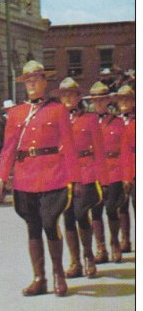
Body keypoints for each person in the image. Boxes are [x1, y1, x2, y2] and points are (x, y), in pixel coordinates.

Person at [0, 60, 79, 297]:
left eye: (35, 80)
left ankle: (58, 274)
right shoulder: (16, 113)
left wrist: (76, 179)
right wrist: (2, 176)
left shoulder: (58, 110)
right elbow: (8, 147)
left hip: (53, 176)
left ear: (44, 82)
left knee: (50, 223)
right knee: (32, 226)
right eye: (27, 81)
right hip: (25, 177)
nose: (31, 85)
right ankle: (39, 278)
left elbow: (69, 147)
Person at [51, 78, 104, 279]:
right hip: (63, 173)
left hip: (85, 172)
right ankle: (75, 262)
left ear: (78, 97)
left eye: (71, 95)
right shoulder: (56, 119)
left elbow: (98, 150)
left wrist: (103, 179)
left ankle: (88, 256)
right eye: (63, 95)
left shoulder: (90, 119)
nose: (67, 98)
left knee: (81, 214)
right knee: (67, 216)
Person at [86, 81, 128, 264]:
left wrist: (126, 175)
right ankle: (101, 248)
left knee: (112, 210)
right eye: (96, 101)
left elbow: (125, 149)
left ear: (108, 101)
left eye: (102, 100)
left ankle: (115, 244)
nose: (99, 104)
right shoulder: (87, 121)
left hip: (113, 170)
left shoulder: (117, 122)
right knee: (95, 211)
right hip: (95, 172)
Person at [116, 85, 135, 252]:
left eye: (127, 99)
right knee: (121, 206)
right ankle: (125, 240)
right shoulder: (114, 121)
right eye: (121, 99)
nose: (123, 102)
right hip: (120, 168)